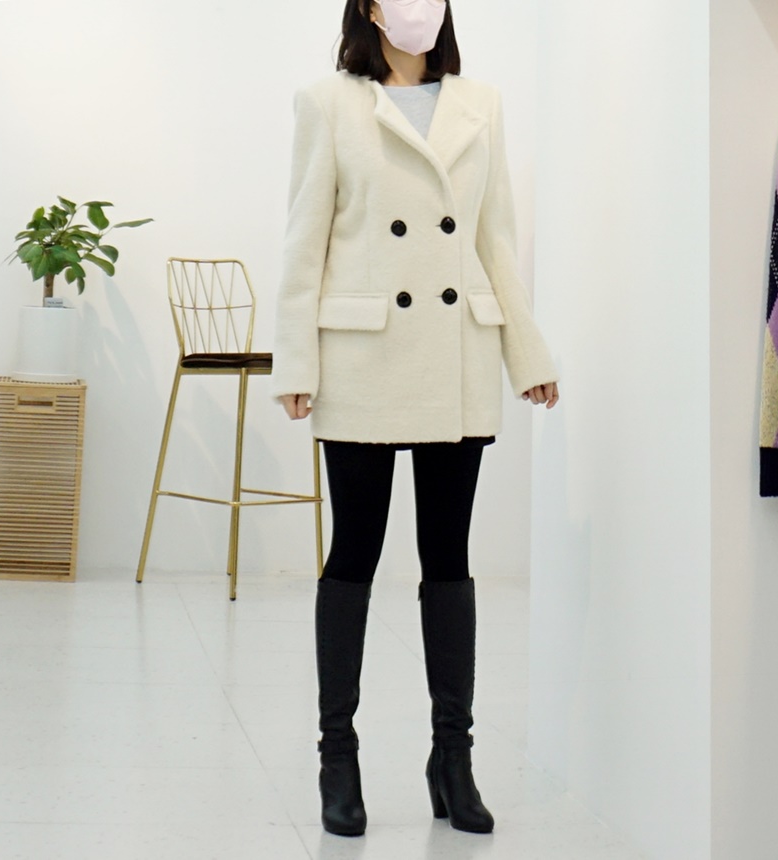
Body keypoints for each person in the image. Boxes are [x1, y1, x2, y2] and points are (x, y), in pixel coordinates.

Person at [272, 0, 560, 838]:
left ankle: (452, 759)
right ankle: (337, 756)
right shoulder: (328, 103)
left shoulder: (481, 104)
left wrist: (528, 352)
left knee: (448, 556)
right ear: (368, 7)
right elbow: (304, 240)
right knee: (355, 552)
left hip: (456, 353)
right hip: (363, 355)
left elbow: (495, 241)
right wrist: (296, 360)